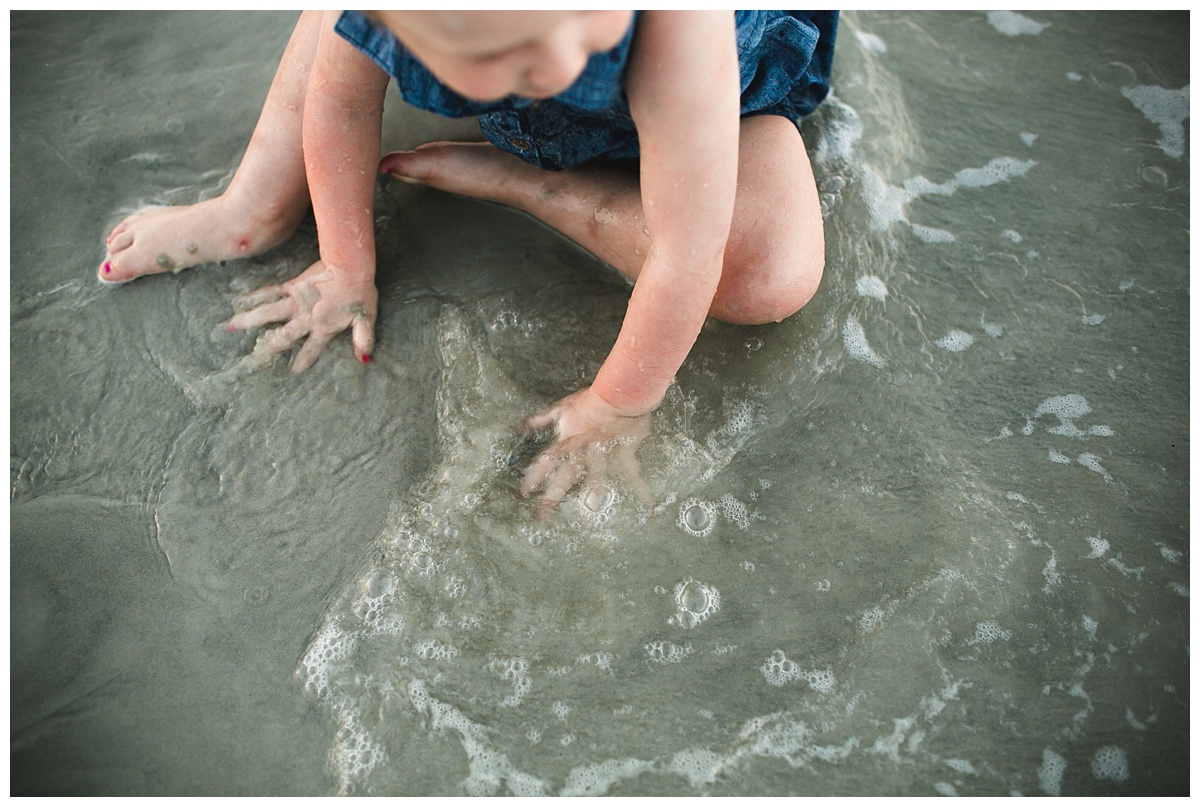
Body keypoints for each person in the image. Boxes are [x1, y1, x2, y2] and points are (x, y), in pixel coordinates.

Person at [97, 10, 837, 511]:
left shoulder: (677, 25)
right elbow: (338, 99)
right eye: (508, 51)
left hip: (723, 97)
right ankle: (256, 199)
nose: (554, 58)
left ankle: (535, 183)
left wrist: (619, 401)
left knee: (769, 273)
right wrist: (344, 264)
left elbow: (688, 246)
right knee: (334, 39)